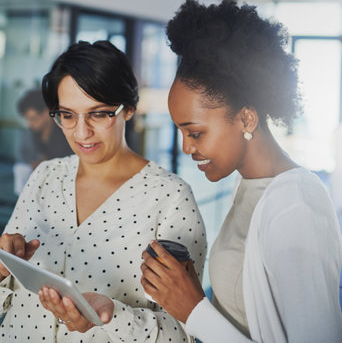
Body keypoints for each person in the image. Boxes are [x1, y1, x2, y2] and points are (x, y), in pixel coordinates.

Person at [140, 0, 342, 342]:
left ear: (246, 118)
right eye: (181, 132)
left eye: (196, 132)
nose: (187, 147)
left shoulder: (295, 207)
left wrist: (193, 308)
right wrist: (184, 288)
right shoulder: (250, 186)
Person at [0, 40, 207, 342]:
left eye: (98, 114)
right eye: (67, 115)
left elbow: (185, 331)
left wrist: (113, 316)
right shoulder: (45, 176)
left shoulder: (169, 197)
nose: (81, 132)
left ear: (129, 110)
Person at [13, 89, 72, 195]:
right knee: (20, 169)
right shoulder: (36, 133)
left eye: (33, 119)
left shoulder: (65, 132)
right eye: (28, 120)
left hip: (65, 179)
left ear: (46, 113)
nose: (30, 124)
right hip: (47, 174)